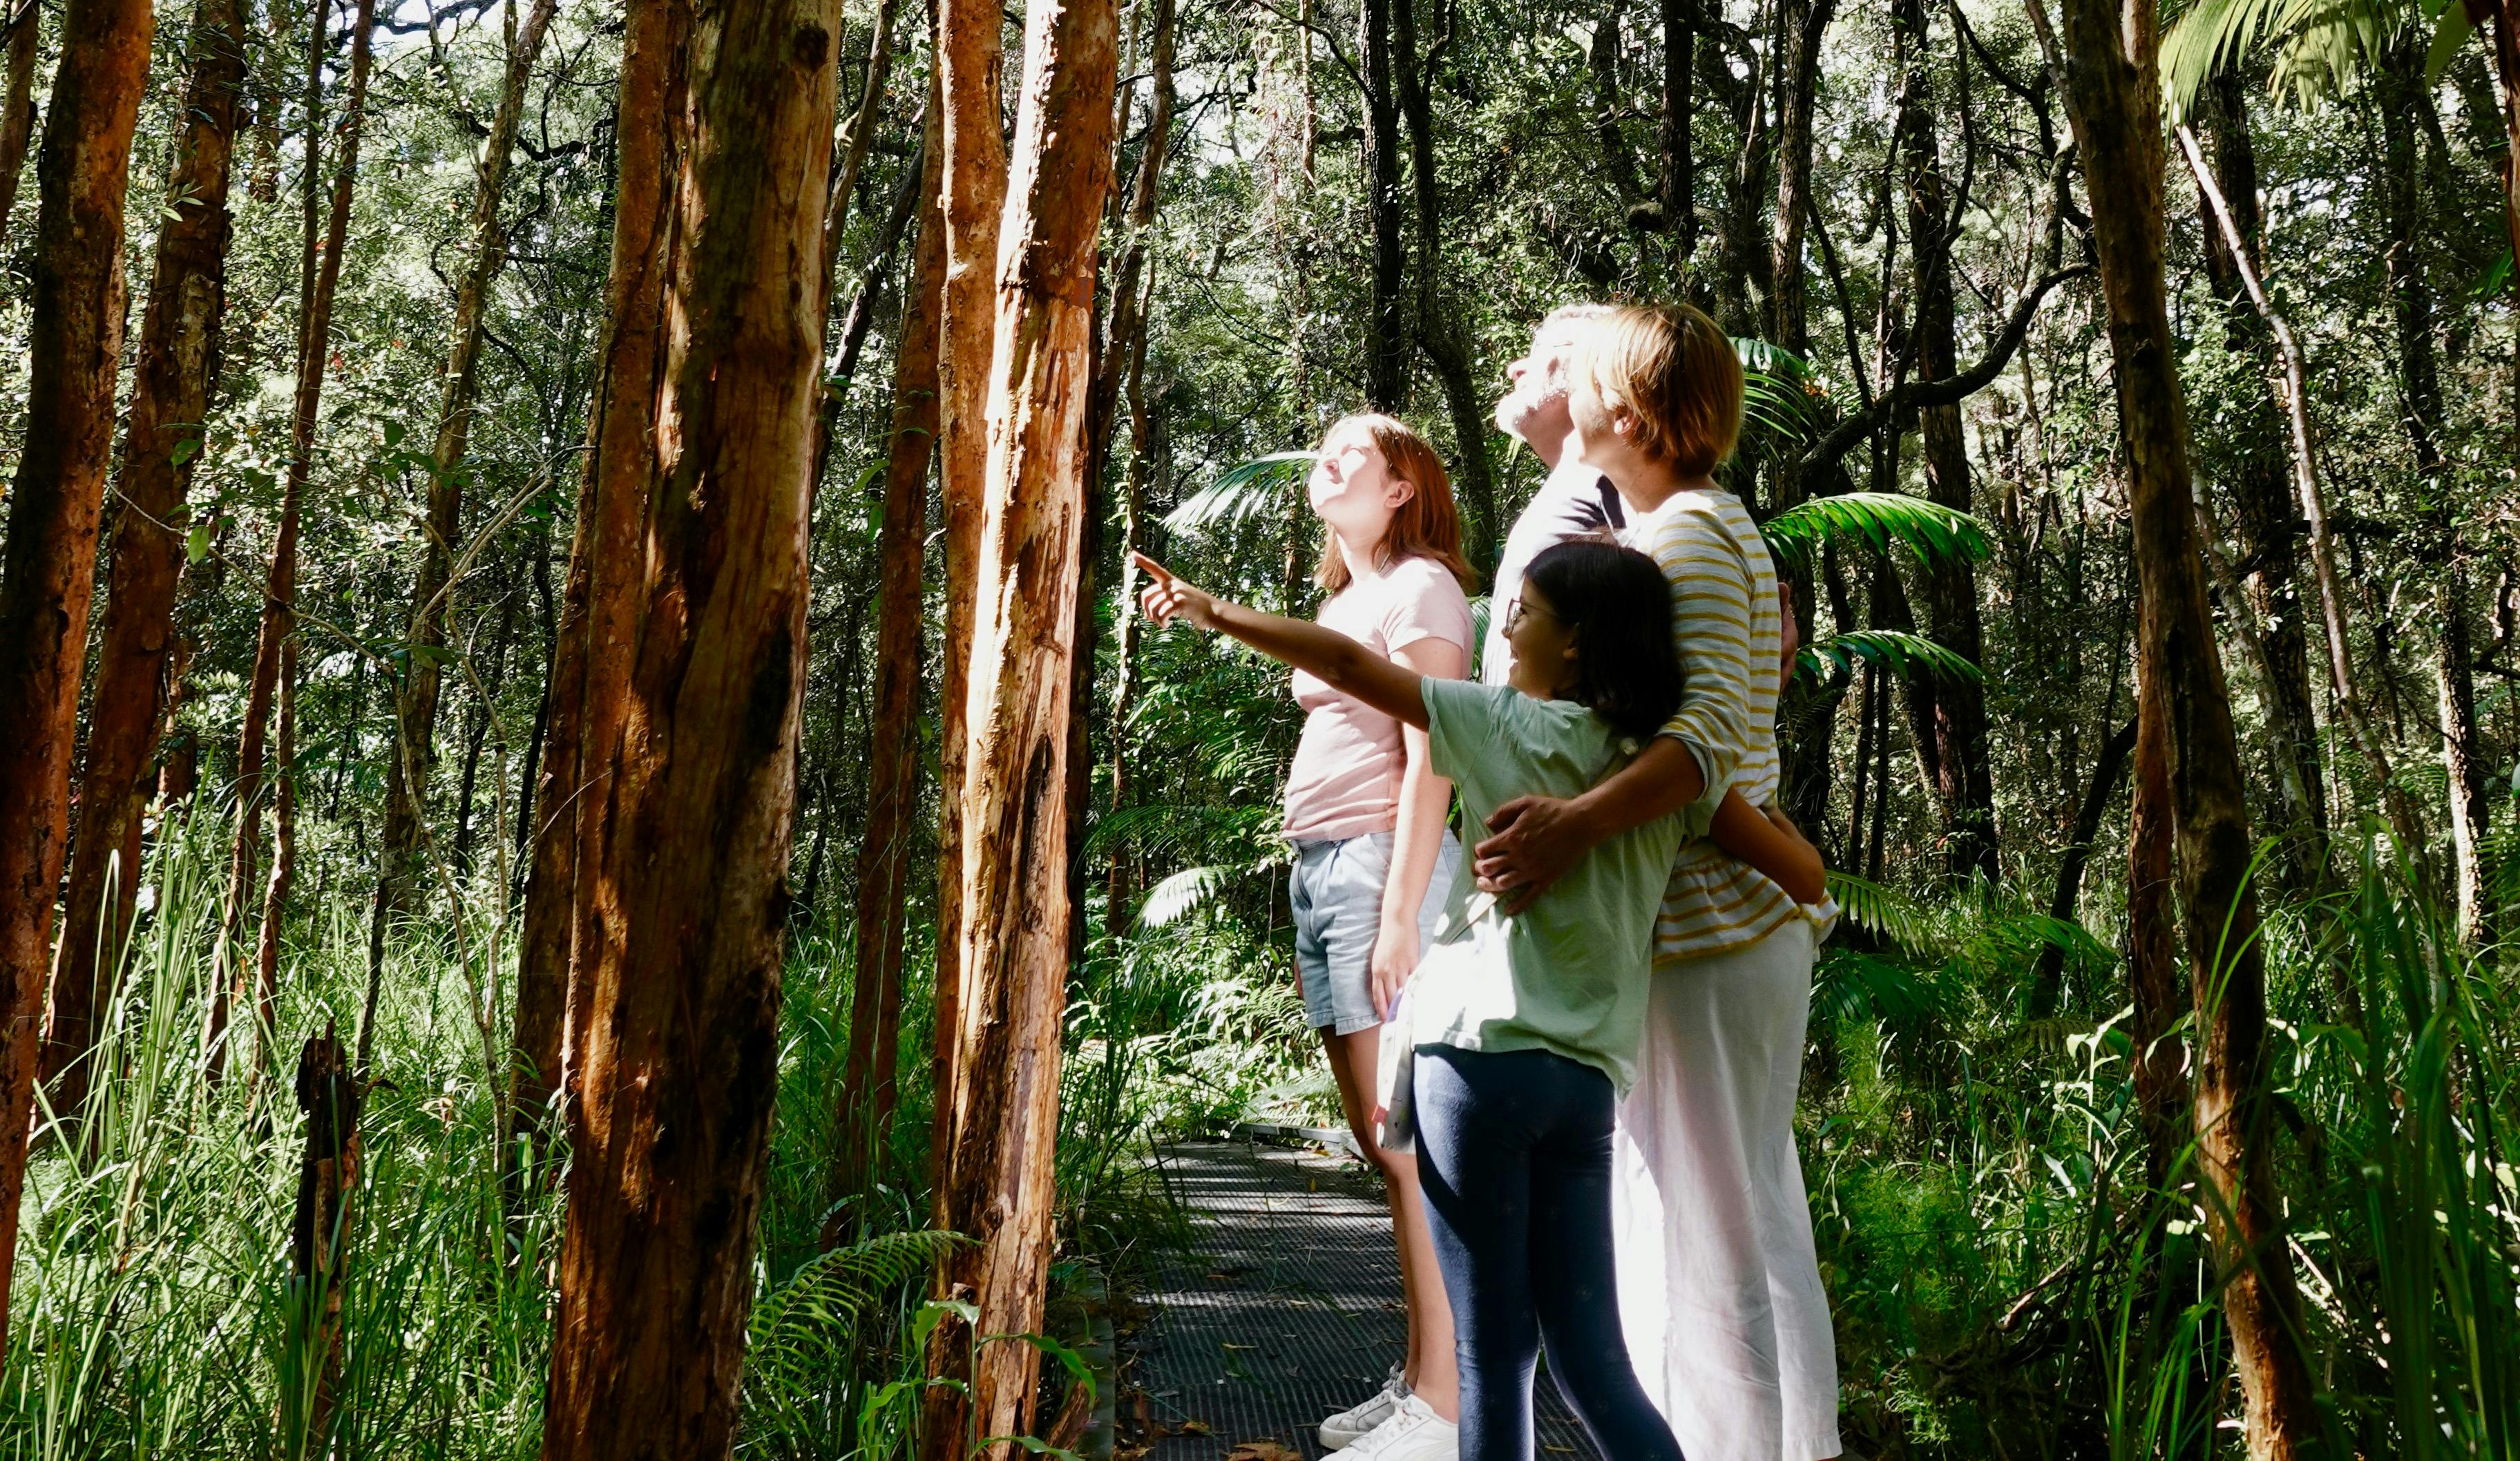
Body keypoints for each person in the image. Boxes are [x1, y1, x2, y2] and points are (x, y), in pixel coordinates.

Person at [1137, 538, 1822, 1461]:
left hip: (1475, 1067)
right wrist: (1765, 807)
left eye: (1524, 613)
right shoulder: (1667, 775)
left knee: (1494, 1356)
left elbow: (1347, 663)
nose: (1506, 626)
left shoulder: (1499, 723)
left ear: (1576, 644)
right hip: (1582, 1089)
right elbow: (1806, 874)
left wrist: (1217, 613)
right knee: (1595, 1362)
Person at [1471, 303, 1842, 1461]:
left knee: (1707, 1230)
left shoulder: (1684, 537)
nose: (1562, 384)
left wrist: (1568, 830)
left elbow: (1693, 751)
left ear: (1626, 415)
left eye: (1579, 373)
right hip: (1719, 926)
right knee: (1743, 1212)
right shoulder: (1688, 525)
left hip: (1714, 932)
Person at [1272, 413, 1474, 1455]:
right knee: (1382, 1139)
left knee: (1406, 1143)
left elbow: (1434, 751)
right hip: (1324, 871)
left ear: (1403, 487)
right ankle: (1419, 1380)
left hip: (1377, 870)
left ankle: (1443, 1410)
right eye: (1328, 445)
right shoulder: (1347, 599)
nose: (1331, 456)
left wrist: (1401, 916)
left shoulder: (1424, 587)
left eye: (1358, 450)